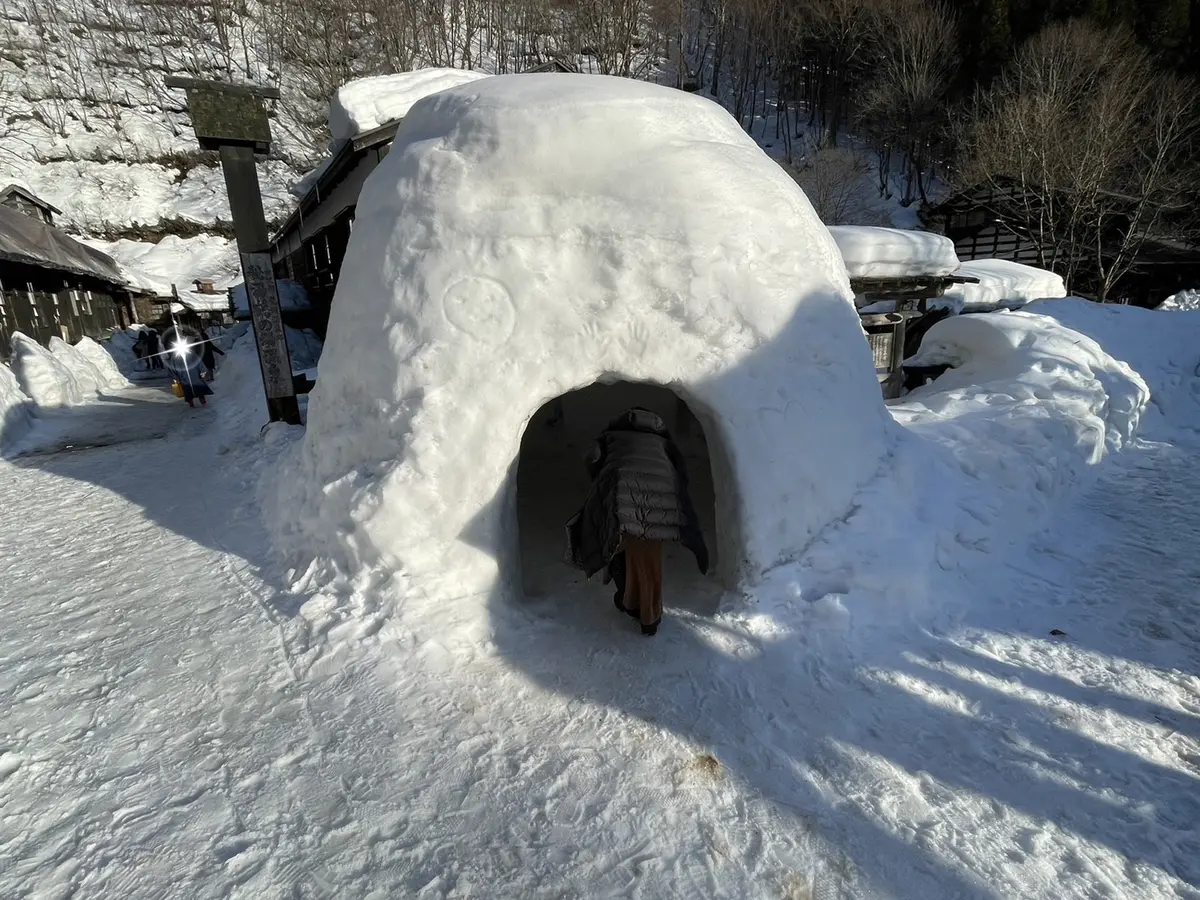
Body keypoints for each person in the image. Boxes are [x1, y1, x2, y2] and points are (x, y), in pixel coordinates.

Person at [565, 407, 708, 636]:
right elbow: (681, 473)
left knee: (625, 549)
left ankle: (641, 609)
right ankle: (639, 608)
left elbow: (591, 458)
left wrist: (602, 476)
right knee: (647, 558)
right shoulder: (662, 442)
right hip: (660, 502)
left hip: (622, 499)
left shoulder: (611, 437)